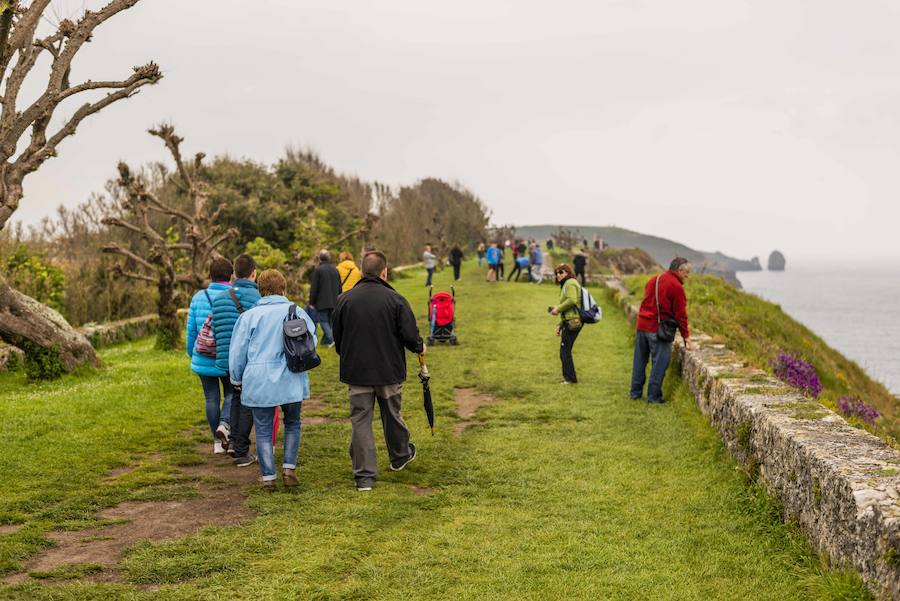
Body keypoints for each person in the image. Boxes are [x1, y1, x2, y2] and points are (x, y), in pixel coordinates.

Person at [332, 251, 424, 492]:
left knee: (361, 421)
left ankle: (364, 477)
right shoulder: (396, 300)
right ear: (385, 271)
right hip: (388, 370)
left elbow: (337, 339)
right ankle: (400, 455)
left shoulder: (344, 300)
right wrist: (419, 346)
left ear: (362, 271)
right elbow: (410, 336)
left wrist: (347, 354)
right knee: (392, 414)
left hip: (357, 371)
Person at [229, 269, 316, 491]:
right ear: (283, 288)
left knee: (264, 428)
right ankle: (289, 468)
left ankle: (268, 477)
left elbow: (238, 352)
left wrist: (236, 378)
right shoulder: (297, 312)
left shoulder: (248, 317)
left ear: (260, 290)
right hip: (292, 376)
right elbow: (311, 342)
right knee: (293, 422)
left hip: (259, 380)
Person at [211, 253, 261, 467]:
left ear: (234, 274)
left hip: (225, 358)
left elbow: (215, 329)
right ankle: (241, 451)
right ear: (254, 273)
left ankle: (232, 443)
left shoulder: (220, 298)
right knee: (247, 401)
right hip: (248, 359)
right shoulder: (257, 297)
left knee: (234, 396)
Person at [186, 257, 234, 454]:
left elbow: (191, 331)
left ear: (211, 275)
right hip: (227, 357)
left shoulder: (198, 297)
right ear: (231, 275)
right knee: (232, 393)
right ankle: (225, 425)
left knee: (211, 398)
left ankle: (217, 442)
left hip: (203, 355)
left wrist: (193, 353)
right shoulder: (234, 295)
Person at [630, 257, 693, 404]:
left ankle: (635, 393)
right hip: (657, 330)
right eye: (687, 272)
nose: (688, 276)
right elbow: (680, 315)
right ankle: (653, 397)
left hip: (642, 325)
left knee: (639, 361)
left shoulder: (654, 280)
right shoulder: (676, 286)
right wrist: (687, 337)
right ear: (679, 270)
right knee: (660, 363)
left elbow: (647, 301)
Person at [550, 263, 583, 384]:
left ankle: (570, 379)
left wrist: (558, 308)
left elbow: (572, 300)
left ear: (568, 273)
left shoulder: (570, 283)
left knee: (565, 350)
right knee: (565, 350)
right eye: (557, 273)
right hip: (569, 320)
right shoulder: (567, 284)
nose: (558, 275)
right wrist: (560, 324)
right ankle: (570, 378)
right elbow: (568, 309)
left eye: (561, 272)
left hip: (573, 321)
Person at [308, 249, 341, 348]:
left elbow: (314, 287)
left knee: (323, 321)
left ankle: (332, 339)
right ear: (329, 258)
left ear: (319, 258)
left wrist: (311, 302)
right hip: (335, 300)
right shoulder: (335, 269)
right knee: (330, 322)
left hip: (322, 301)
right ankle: (327, 341)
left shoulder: (318, 270)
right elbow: (340, 286)